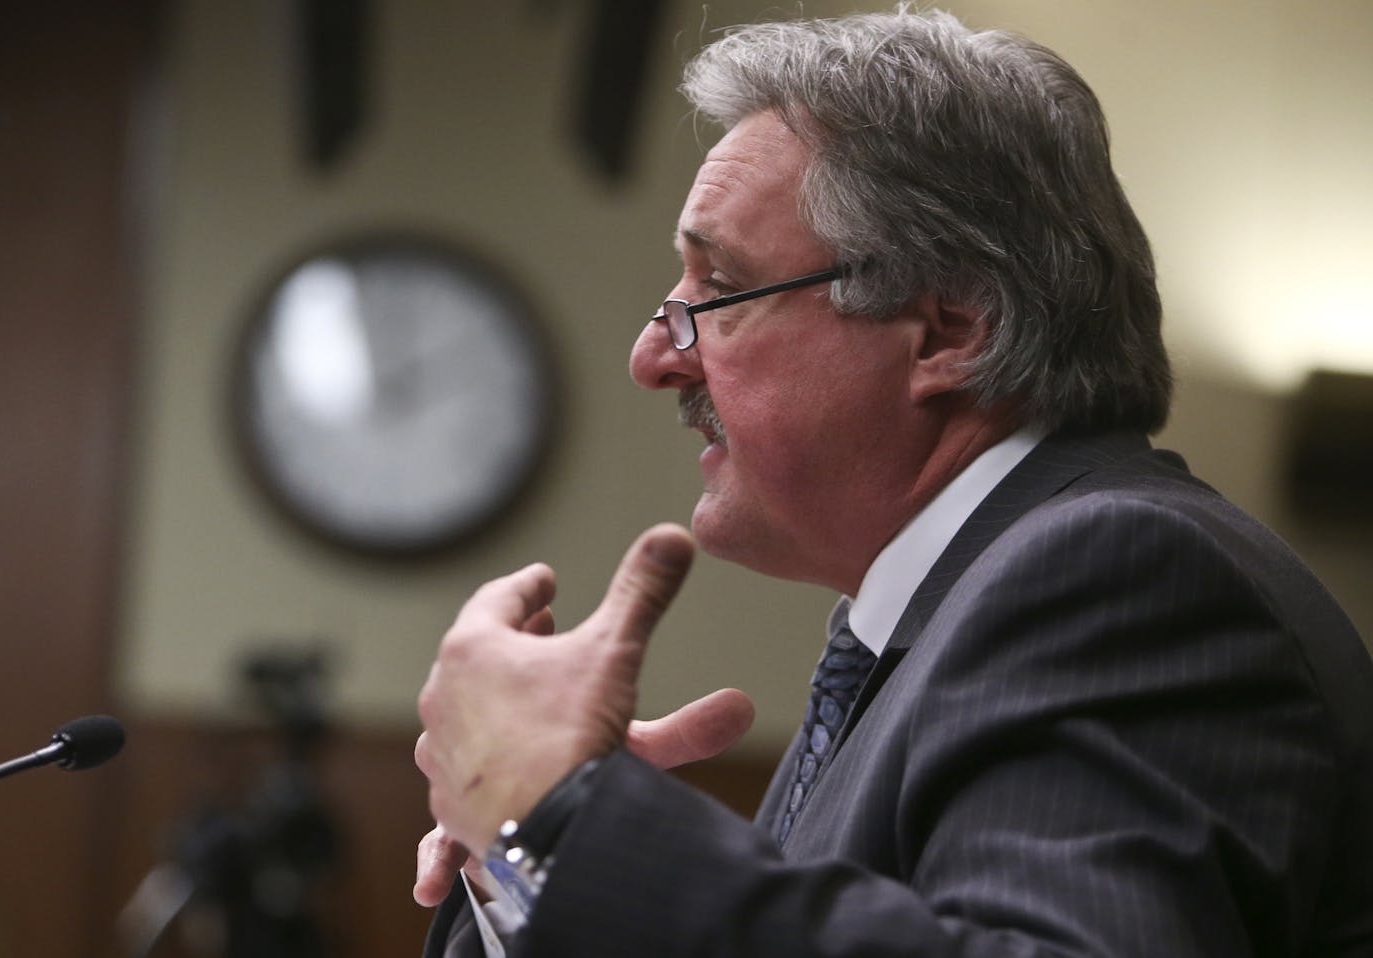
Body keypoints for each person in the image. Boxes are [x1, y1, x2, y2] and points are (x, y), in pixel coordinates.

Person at [413, 7, 1373, 956]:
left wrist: (578, 820)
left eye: (718, 290)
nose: (652, 356)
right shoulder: (930, 627)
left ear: (951, 331)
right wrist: (525, 854)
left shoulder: (1119, 578)